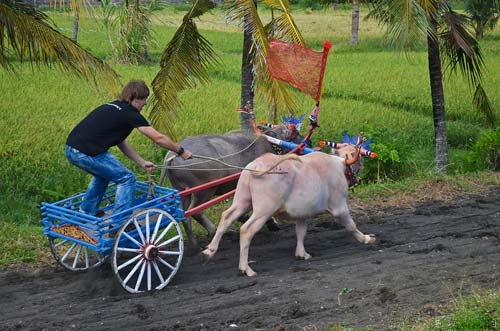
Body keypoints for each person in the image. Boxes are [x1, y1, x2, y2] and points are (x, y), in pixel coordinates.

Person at [65, 79, 192, 216]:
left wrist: (142, 162)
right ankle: (120, 221)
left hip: (73, 149)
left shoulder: (114, 106)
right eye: (144, 99)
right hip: (85, 153)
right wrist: (181, 151)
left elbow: (121, 142)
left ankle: (86, 212)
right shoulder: (130, 114)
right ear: (135, 98)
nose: (145, 104)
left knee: (103, 175)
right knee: (127, 178)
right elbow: (158, 138)